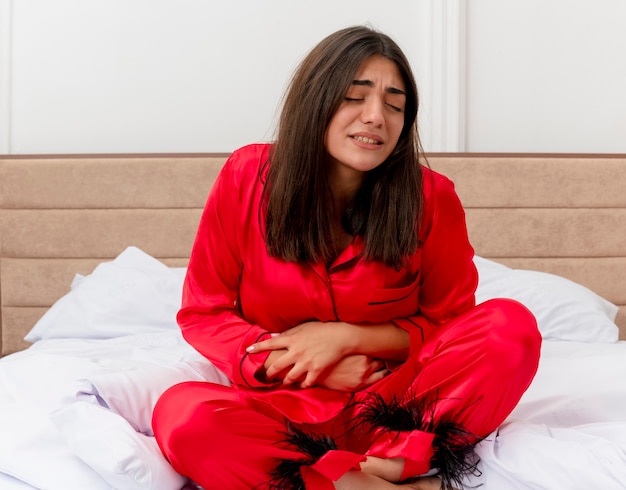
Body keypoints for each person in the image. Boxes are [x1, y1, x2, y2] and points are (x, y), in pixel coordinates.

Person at [152, 25, 541, 490]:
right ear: (316, 99)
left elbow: (449, 322)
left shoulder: (433, 199)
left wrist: (346, 339)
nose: (376, 116)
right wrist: (293, 363)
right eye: (355, 97)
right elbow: (204, 311)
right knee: (182, 414)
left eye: (394, 104)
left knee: (509, 326)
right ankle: (361, 485)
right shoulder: (246, 177)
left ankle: (389, 467)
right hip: (282, 408)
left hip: (399, 411)